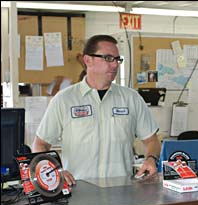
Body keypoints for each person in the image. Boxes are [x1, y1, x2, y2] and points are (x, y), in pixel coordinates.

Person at [32, 35, 161, 185]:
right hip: (78, 191)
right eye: (108, 58)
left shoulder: (131, 98)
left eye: (117, 59)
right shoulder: (64, 100)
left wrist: (151, 159)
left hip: (122, 191)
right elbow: (40, 144)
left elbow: (152, 140)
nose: (115, 65)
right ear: (88, 60)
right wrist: (55, 171)